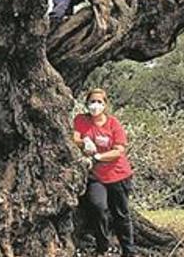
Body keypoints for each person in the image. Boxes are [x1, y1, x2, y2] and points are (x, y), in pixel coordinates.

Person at [72, 88, 136, 257]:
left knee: (121, 214)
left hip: (118, 175)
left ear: (105, 105)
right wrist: (84, 141)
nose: (95, 105)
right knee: (98, 208)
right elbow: (75, 137)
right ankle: (102, 248)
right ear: (87, 103)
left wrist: (98, 156)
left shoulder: (113, 124)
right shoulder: (81, 120)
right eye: (92, 101)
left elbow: (118, 151)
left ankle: (129, 251)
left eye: (99, 102)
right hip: (96, 177)